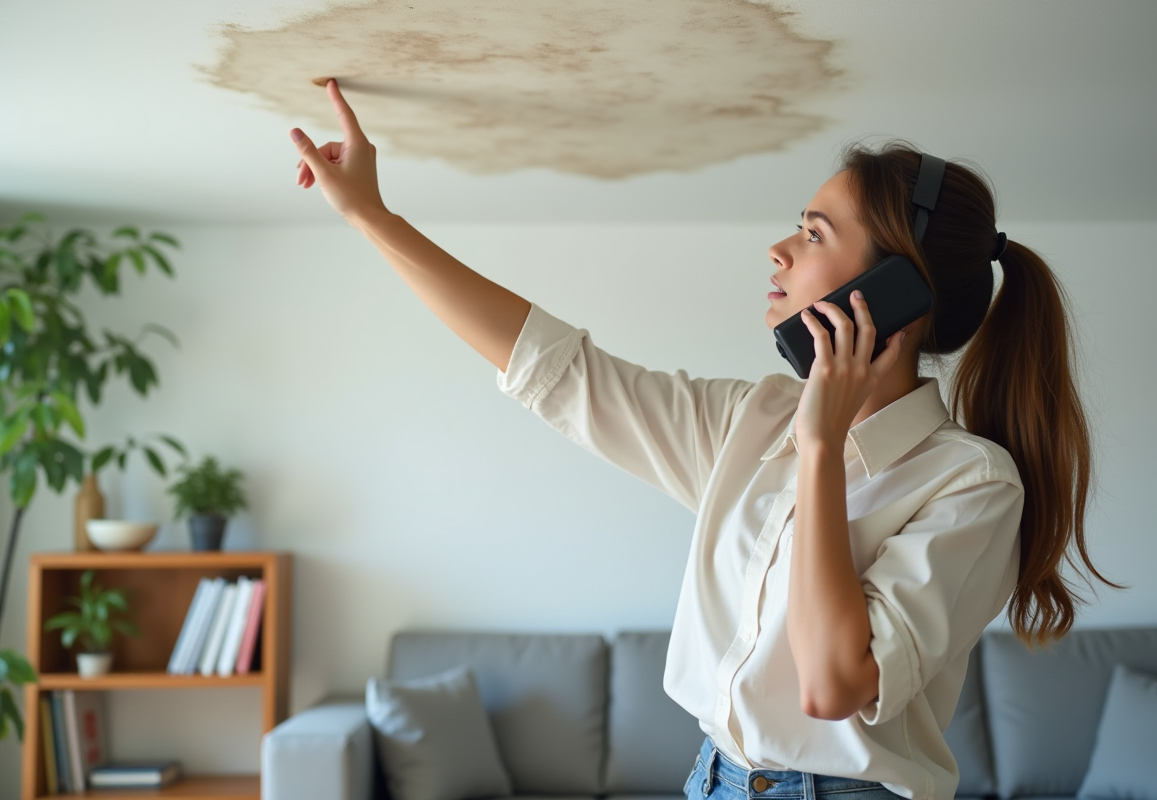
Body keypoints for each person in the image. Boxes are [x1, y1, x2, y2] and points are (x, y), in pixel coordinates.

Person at [289, 80, 1114, 800]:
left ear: (894, 289)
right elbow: (559, 372)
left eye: (817, 234)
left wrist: (821, 448)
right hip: (710, 780)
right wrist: (372, 216)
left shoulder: (971, 484)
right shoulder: (751, 422)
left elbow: (834, 685)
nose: (780, 248)